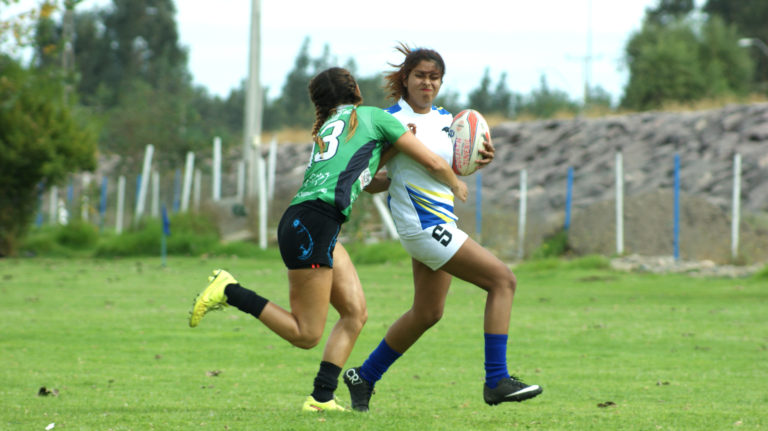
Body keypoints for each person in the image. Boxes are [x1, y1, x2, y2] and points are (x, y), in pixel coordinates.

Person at [188, 67, 468, 412]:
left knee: (355, 313)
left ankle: (321, 398)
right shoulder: (372, 117)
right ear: (355, 90)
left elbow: (366, 176)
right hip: (314, 225)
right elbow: (431, 161)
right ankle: (230, 291)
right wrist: (456, 182)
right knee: (306, 334)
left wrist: (392, 154)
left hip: (312, 222)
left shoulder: (330, 129)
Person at [342, 44, 542, 412]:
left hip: (440, 221)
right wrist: (395, 151)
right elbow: (368, 181)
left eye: (435, 78)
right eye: (420, 76)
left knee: (427, 313)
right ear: (406, 79)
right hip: (423, 226)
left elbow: (449, 167)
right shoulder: (389, 119)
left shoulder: (447, 121)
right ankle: (496, 379)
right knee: (503, 281)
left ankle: (364, 376)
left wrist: (475, 161)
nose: (427, 83)